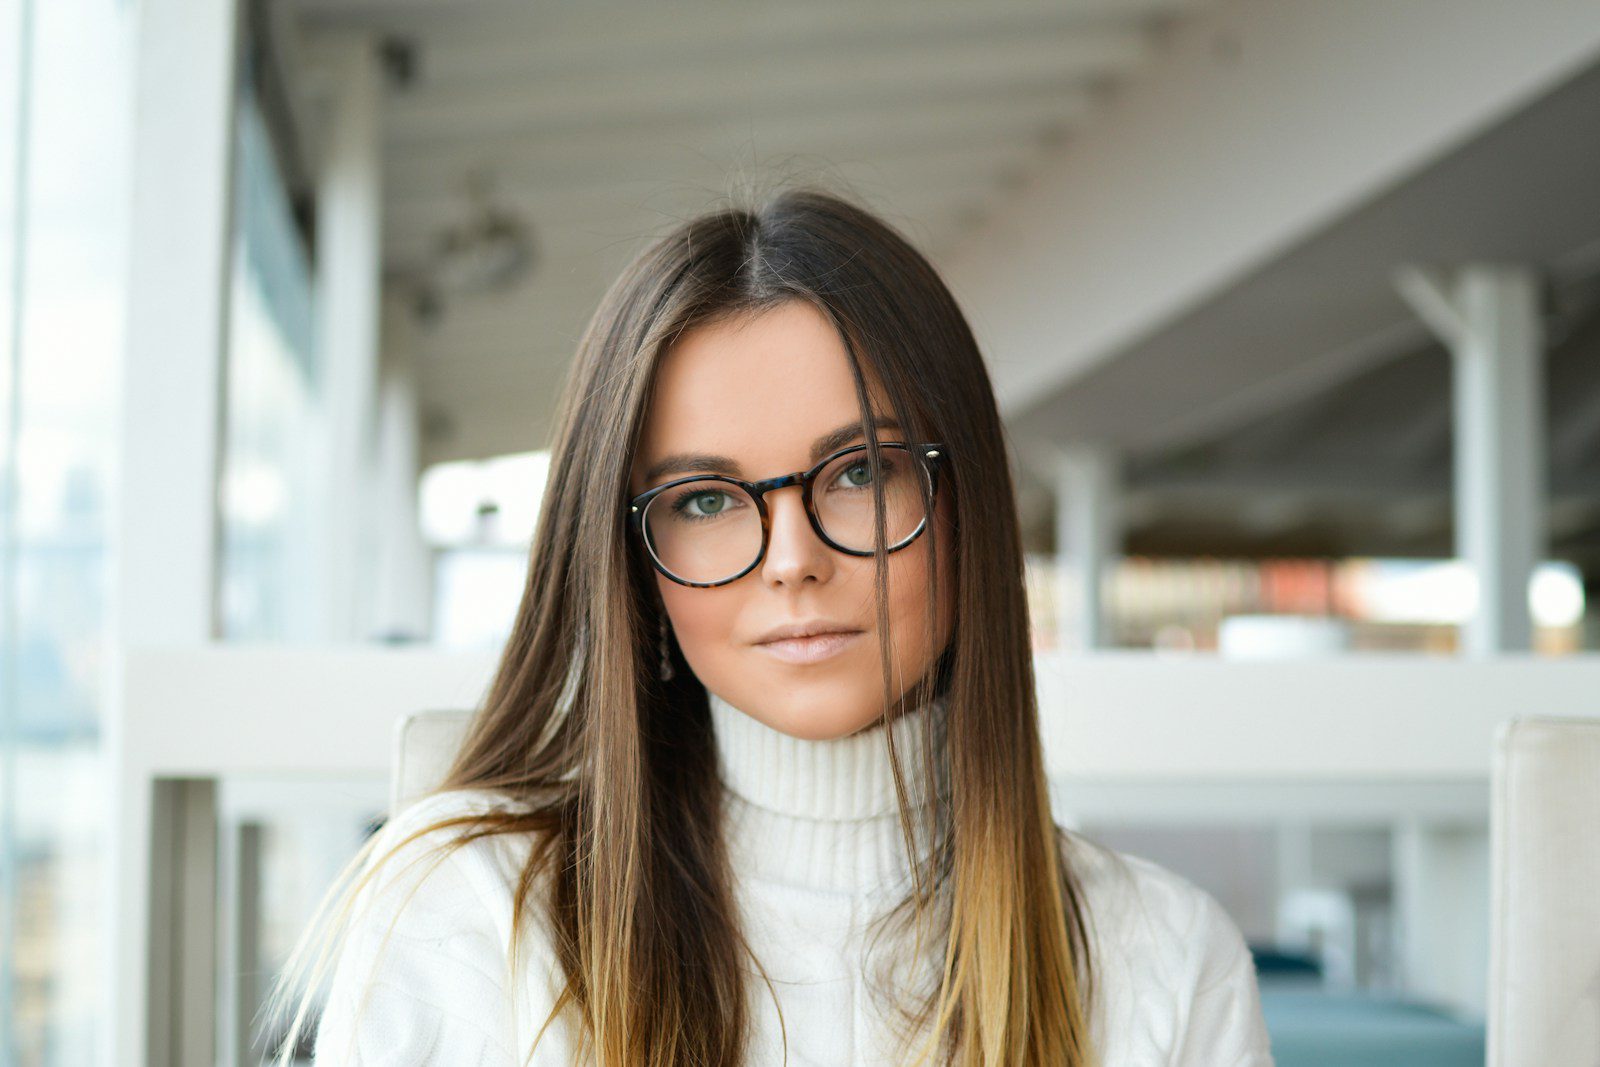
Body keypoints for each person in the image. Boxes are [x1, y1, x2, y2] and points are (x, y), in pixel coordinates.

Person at [265, 187, 1275, 1066]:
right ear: (630, 561)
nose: (792, 558)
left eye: (860, 471)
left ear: (966, 502)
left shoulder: (1165, 958)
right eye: (704, 499)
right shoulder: (476, 904)